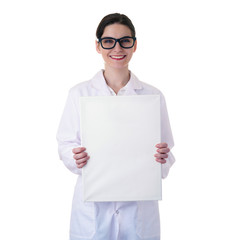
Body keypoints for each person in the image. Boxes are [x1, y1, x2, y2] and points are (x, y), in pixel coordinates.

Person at [57, 13, 175, 240]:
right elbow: (65, 144)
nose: (117, 48)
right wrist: (75, 157)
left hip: (139, 212)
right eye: (109, 41)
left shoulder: (152, 96)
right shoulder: (79, 94)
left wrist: (162, 157)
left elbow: (167, 150)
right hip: (92, 214)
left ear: (135, 45)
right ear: (98, 46)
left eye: (125, 41)